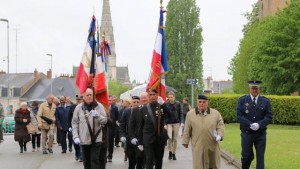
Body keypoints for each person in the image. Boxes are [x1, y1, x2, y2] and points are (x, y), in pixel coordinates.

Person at [236, 80, 273, 169]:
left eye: (256, 88)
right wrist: (250, 124)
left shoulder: (265, 101)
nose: (254, 90)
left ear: (259, 89)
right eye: (253, 88)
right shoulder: (242, 100)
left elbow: (269, 116)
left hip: (260, 134)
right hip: (247, 133)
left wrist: (259, 124)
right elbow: (239, 116)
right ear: (249, 88)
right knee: (246, 156)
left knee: (260, 158)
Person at [182, 94, 225, 169]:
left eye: (204, 102)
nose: (202, 103)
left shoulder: (215, 114)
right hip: (198, 146)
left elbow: (220, 126)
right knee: (198, 165)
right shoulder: (190, 114)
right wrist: (185, 141)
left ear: (207, 103)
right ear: (197, 102)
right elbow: (187, 129)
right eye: (200, 102)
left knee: (213, 165)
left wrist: (220, 135)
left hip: (212, 145)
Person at [72, 88, 107, 169]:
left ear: (93, 96)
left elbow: (105, 121)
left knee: (94, 161)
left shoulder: (99, 106)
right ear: (83, 96)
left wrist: (98, 115)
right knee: (86, 163)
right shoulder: (78, 108)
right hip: (84, 139)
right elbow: (74, 123)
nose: (89, 96)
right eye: (87, 95)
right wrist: (75, 136)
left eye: (91, 95)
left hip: (96, 139)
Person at [138, 89, 172, 169]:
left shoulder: (161, 106)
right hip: (148, 139)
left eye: (154, 94)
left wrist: (163, 104)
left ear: (157, 96)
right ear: (148, 96)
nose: (152, 96)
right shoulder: (143, 109)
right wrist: (140, 142)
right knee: (149, 161)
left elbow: (170, 115)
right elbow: (141, 126)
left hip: (159, 138)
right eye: (150, 95)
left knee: (159, 161)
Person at [129, 92, 149, 169]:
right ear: (140, 100)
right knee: (139, 158)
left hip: (150, 139)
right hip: (139, 139)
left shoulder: (153, 109)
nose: (144, 99)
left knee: (149, 160)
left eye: (145, 97)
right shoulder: (135, 110)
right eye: (142, 98)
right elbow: (131, 126)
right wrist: (132, 137)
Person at [120, 96, 140, 168]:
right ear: (131, 103)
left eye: (137, 102)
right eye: (134, 102)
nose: (136, 103)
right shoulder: (127, 111)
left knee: (139, 158)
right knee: (131, 158)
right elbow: (122, 124)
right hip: (129, 138)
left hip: (139, 138)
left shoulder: (142, 111)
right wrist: (122, 135)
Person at [165, 91, 182, 160]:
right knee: (170, 138)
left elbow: (180, 113)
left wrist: (180, 122)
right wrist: (165, 123)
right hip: (169, 123)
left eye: (171, 97)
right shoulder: (166, 104)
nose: (170, 98)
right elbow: (165, 115)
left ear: (174, 97)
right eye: (169, 97)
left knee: (175, 139)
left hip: (176, 123)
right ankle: (170, 151)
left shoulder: (178, 104)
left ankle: (174, 153)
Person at [69, 95, 83, 161]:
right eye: (78, 100)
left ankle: (81, 155)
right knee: (75, 142)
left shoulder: (84, 107)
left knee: (82, 141)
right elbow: (69, 117)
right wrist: (69, 126)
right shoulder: (72, 107)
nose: (79, 101)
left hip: (82, 126)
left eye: (80, 99)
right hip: (74, 126)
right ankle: (77, 154)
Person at [107, 95, 119, 162]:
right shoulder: (103, 107)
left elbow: (117, 118)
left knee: (111, 143)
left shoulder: (115, 108)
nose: (109, 102)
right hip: (104, 127)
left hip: (111, 128)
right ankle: (104, 155)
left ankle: (110, 156)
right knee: (104, 143)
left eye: (111, 100)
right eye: (108, 100)